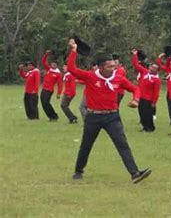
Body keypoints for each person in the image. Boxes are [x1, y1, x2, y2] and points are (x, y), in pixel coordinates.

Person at [67, 39, 151, 183]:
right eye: (109, 66)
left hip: (112, 116)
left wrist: (136, 100)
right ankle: (78, 171)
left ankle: (135, 173)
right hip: (93, 117)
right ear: (100, 67)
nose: (113, 68)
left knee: (122, 144)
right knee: (86, 145)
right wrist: (73, 51)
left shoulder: (118, 78)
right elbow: (71, 69)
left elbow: (136, 89)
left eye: (114, 65)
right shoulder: (90, 76)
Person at [131, 49, 161, 133]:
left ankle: (150, 128)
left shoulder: (156, 80)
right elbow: (136, 65)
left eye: (155, 68)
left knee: (148, 114)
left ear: (157, 70)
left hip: (149, 99)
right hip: (141, 96)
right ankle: (145, 126)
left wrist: (154, 102)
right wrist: (134, 55)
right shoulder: (145, 72)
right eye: (152, 66)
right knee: (142, 113)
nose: (152, 68)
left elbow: (156, 92)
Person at [41, 51, 63, 121]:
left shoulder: (58, 74)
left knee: (46, 102)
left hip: (49, 90)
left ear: (57, 65)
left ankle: (54, 116)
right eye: (52, 64)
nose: (53, 65)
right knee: (43, 104)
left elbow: (60, 84)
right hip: (44, 89)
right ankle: (51, 117)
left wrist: (59, 93)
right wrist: (46, 54)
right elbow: (43, 61)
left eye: (54, 64)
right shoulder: (48, 69)